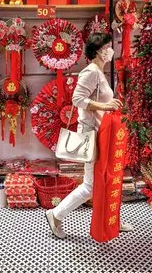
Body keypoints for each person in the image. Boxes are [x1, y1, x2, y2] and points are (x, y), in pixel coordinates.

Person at [45, 33, 133, 239]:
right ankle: (56, 214)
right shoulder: (91, 72)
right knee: (91, 185)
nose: (111, 50)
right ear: (98, 51)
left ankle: (113, 219)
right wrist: (105, 105)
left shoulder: (100, 73)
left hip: (103, 134)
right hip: (92, 135)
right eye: (108, 46)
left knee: (109, 178)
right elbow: (77, 99)